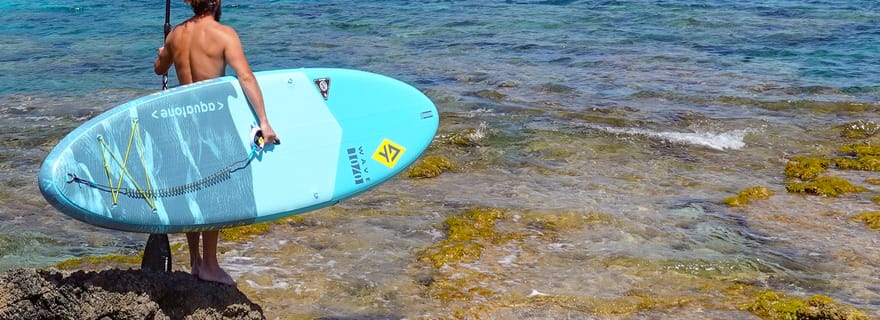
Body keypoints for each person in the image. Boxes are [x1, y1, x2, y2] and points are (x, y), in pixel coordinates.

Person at [153, 0, 278, 285]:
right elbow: (245, 77)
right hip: (212, 125)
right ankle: (209, 264)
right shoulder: (225, 35)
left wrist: (163, 53)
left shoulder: (176, 36)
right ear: (217, 2)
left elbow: (160, 69)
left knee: (193, 188)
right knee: (215, 192)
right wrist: (264, 122)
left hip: (183, 125)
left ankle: (195, 260)